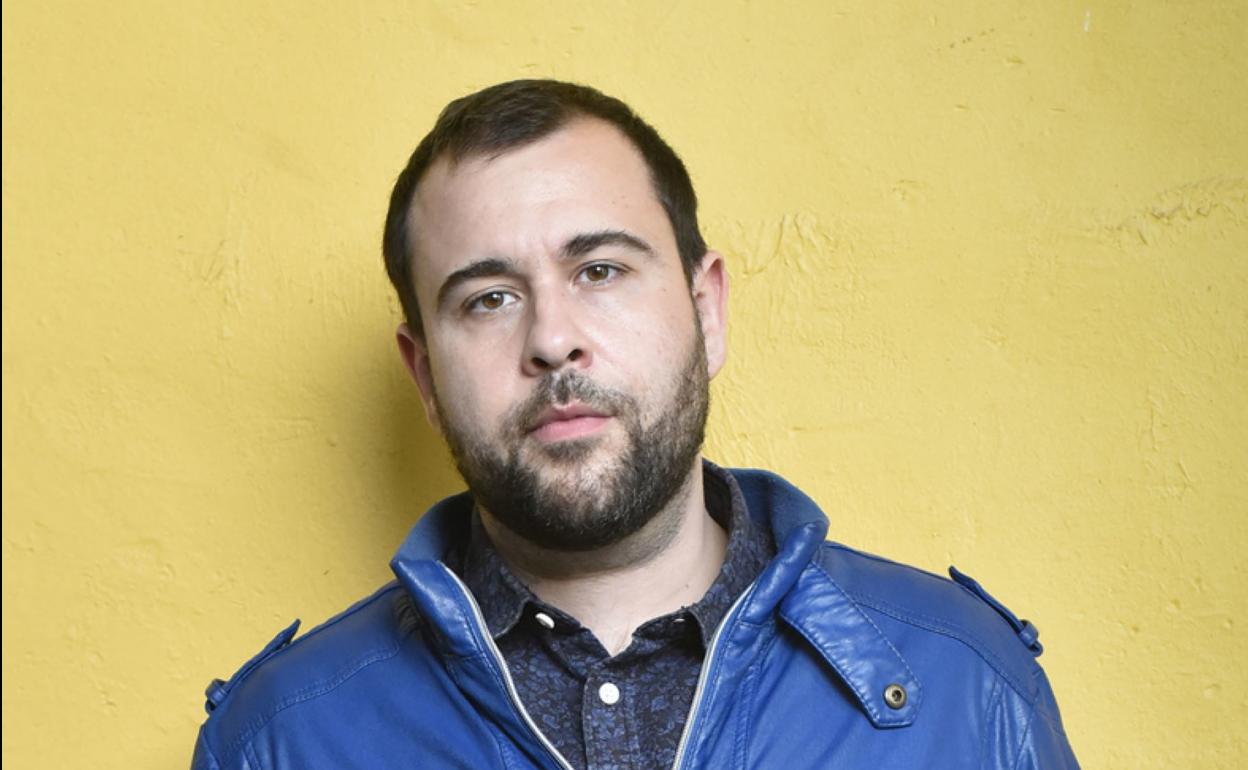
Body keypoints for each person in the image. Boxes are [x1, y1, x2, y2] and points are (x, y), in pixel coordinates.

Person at [191, 79, 1080, 769]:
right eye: (489, 298)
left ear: (707, 310)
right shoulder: (275, 742)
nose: (552, 339)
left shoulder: (968, 684)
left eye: (601, 270)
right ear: (424, 374)